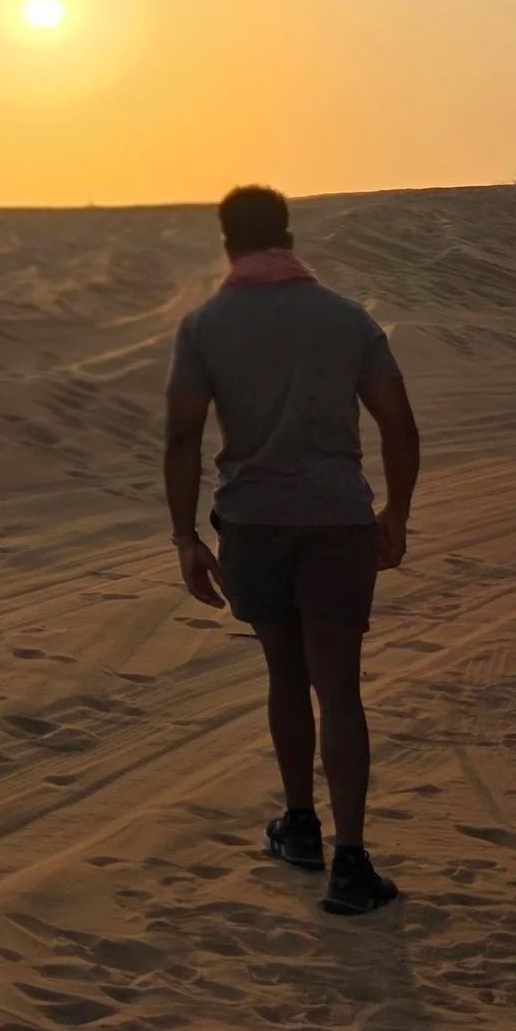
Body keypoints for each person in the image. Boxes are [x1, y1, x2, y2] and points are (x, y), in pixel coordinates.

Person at [162, 184, 421, 917]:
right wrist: (396, 511)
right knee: (339, 686)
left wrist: (185, 535)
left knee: (285, 669)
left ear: (227, 243)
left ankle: (300, 824)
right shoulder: (345, 318)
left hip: (251, 522)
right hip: (337, 520)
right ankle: (351, 861)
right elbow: (399, 425)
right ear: (288, 234)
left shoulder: (204, 326)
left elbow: (182, 436)